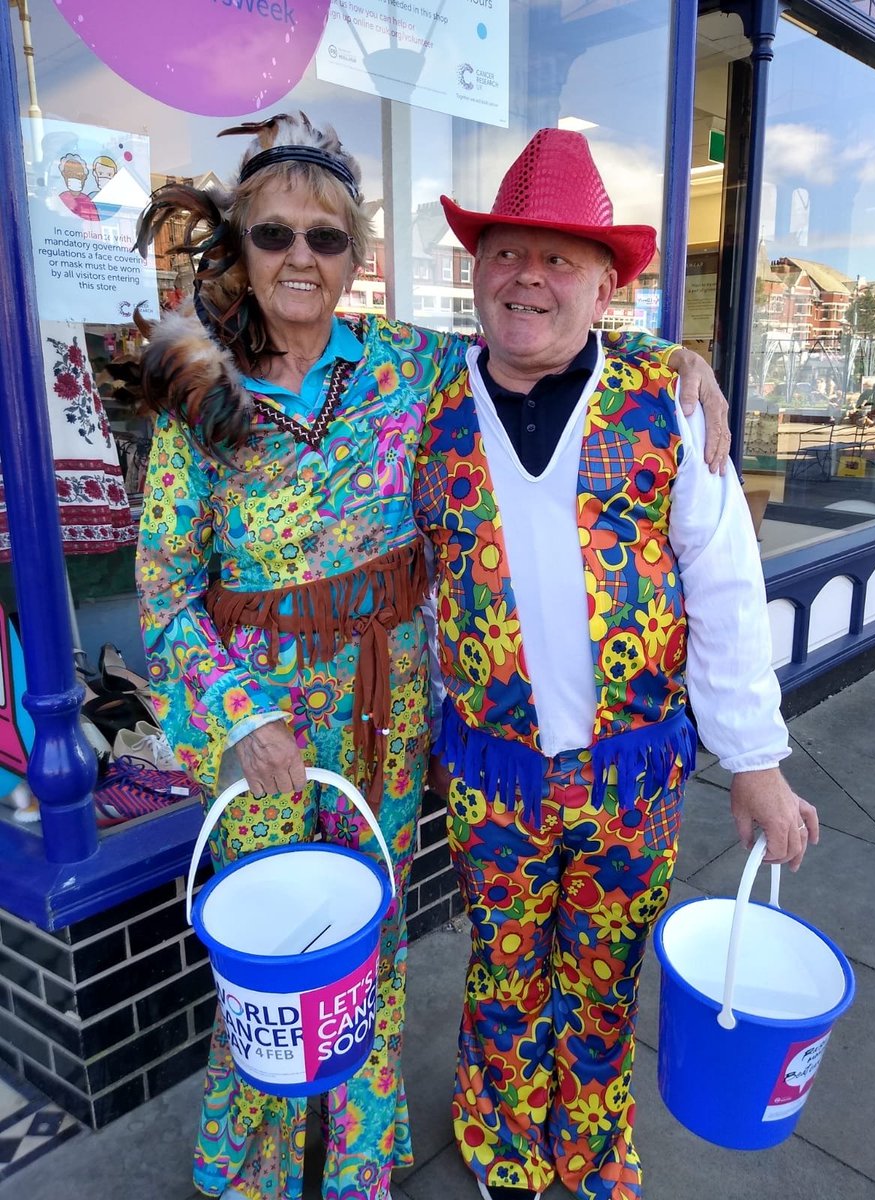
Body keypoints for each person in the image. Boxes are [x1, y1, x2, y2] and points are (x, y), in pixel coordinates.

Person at [131, 112, 730, 1200]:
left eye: (326, 240)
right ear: (242, 247)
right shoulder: (197, 402)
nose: (300, 260)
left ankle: (357, 1166)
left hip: (390, 706)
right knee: (275, 952)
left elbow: (543, 346)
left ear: (359, 257)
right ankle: (258, 1172)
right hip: (262, 722)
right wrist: (233, 714)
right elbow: (166, 591)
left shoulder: (411, 368)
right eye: (274, 237)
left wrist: (675, 365)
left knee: (372, 943)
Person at [412, 127, 820, 1200]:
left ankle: (589, 1149)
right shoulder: (420, 409)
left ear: (606, 285)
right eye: (506, 252)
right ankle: (501, 1141)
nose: (527, 276)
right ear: (476, 270)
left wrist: (758, 760)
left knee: (602, 981)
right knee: (503, 973)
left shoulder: (669, 404)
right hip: (492, 773)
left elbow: (727, 586)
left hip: (630, 775)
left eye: (559, 258)